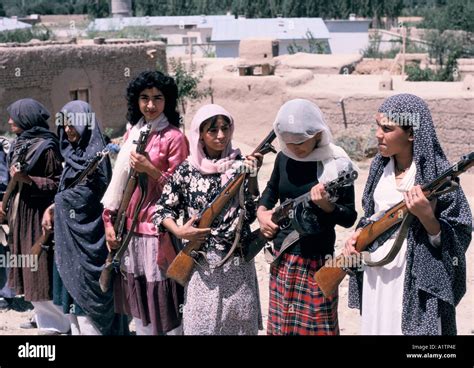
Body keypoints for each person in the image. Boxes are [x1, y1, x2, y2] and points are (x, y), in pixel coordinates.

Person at [344, 93, 472, 335]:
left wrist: (428, 218)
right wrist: (357, 235)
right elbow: (370, 215)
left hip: (415, 276)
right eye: (378, 126)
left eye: (387, 128)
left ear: (412, 133)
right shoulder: (378, 167)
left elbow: (461, 231)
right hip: (377, 272)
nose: (378, 134)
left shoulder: (439, 174)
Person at [153, 104, 263, 335]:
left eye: (225, 128)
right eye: (213, 130)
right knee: (202, 325)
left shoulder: (241, 166)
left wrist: (252, 176)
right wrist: (180, 231)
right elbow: (162, 210)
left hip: (238, 261)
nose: (221, 135)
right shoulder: (186, 170)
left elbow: (251, 213)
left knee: (240, 324)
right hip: (202, 262)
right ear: (200, 134)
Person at [257, 99, 357, 335]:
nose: (295, 148)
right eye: (288, 142)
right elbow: (271, 191)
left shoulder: (337, 164)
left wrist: (327, 206)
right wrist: (262, 213)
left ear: (317, 133)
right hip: (283, 257)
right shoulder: (284, 157)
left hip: (317, 261)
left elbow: (349, 217)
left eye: (300, 141)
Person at [101, 70, 188, 335]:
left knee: (163, 297)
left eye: (157, 98)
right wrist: (109, 222)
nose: (150, 105)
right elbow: (118, 185)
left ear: (167, 101)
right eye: (144, 98)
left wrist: (150, 169)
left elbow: (182, 190)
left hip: (157, 230)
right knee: (137, 296)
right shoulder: (132, 135)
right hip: (128, 230)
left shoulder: (174, 137)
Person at [41, 100, 128, 335]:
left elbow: (90, 198)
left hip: (90, 245)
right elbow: (67, 192)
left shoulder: (97, 158)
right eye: (65, 126)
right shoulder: (71, 158)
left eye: (73, 125)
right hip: (69, 246)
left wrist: (59, 202)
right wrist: (54, 205)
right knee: (74, 312)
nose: (69, 130)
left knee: (89, 308)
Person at [0, 98, 70, 334]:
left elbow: (59, 184)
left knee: (40, 267)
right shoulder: (20, 143)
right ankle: (42, 316)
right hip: (21, 215)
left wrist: (29, 180)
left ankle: (57, 324)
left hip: (40, 217)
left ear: (27, 118)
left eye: (15, 116)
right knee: (27, 267)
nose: (10, 121)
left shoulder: (47, 147)